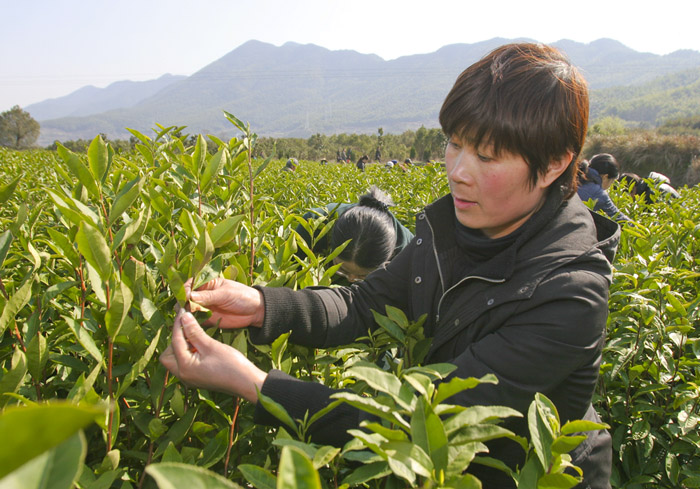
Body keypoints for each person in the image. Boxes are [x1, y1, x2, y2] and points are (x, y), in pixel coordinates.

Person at [160, 43, 619, 488]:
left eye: (486, 155)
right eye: (454, 144)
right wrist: (261, 305)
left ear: (555, 164)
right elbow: (363, 305)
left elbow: (424, 425)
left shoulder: (570, 293)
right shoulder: (453, 231)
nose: (458, 170)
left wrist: (256, 384)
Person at [295, 186, 414, 282]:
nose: (351, 280)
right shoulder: (313, 225)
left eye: (363, 276)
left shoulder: (408, 253)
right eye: (341, 269)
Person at [577, 154, 631, 221]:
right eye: (612, 181)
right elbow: (619, 218)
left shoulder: (576, 176)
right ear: (605, 177)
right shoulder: (597, 193)